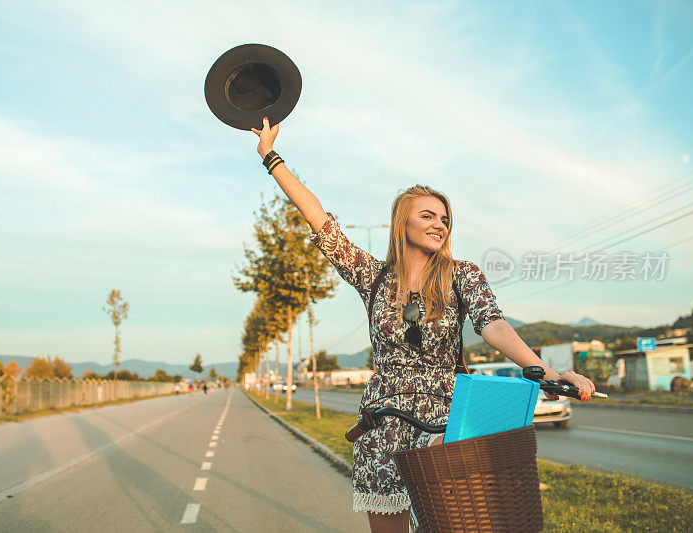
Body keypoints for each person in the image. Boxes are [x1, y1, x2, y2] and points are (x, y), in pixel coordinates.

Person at [251, 117, 595, 533]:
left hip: (446, 420)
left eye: (445, 219)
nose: (439, 225)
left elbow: (493, 324)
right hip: (384, 420)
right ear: (403, 223)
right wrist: (272, 157)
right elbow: (320, 221)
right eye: (428, 215)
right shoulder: (373, 277)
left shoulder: (461, 274)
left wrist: (548, 372)